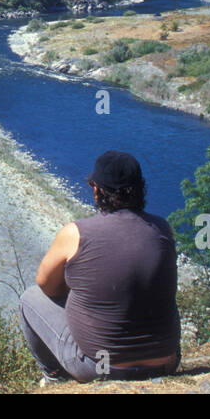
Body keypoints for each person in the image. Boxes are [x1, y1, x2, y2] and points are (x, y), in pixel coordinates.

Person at [18, 150, 180, 383]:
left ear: (97, 190)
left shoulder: (75, 233)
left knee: (29, 298)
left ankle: (54, 379)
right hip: (166, 362)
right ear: (139, 189)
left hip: (101, 368)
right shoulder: (163, 229)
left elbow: (46, 286)